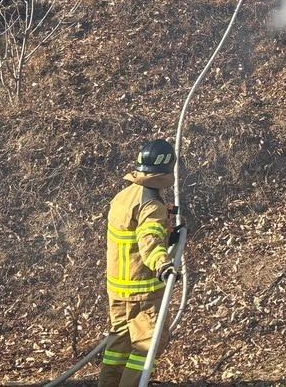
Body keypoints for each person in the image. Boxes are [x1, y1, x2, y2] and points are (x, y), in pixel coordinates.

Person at [100, 140, 178, 387]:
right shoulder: (151, 204)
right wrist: (163, 264)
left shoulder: (123, 197)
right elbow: (149, 242)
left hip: (118, 289)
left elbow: (135, 236)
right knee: (147, 346)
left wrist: (170, 233)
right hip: (142, 292)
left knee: (118, 348)